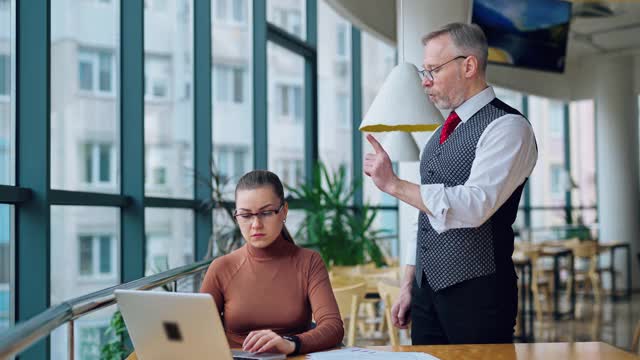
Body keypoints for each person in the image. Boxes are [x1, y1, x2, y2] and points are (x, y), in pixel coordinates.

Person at [363, 22, 537, 344]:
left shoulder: (508, 127)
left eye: (433, 70)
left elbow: (475, 206)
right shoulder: (441, 135)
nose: (426, 82)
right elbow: (425, 216)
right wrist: (409, 284)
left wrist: (394, 185)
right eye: (424, 72)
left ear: (469, 65)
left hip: (480, 291)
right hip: (426, 293)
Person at [200, 170, 344, 355]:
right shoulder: (221, 267)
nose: (256, 224)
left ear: (283, 211)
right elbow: (198, 330)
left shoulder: (309, 262)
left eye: (266, 213)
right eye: (245, 215)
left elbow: (333, 327)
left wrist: (290, 344)